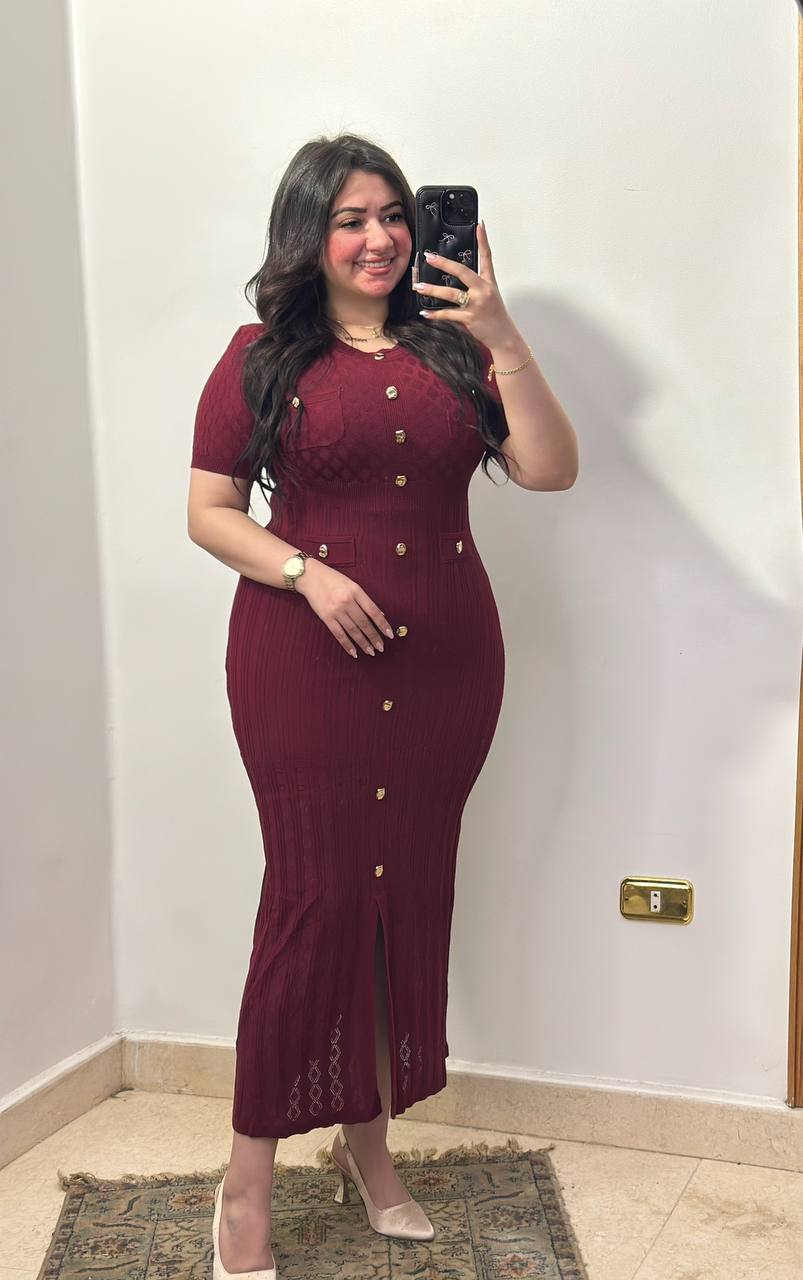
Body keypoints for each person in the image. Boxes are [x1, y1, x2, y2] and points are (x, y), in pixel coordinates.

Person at [188, 133, 578, 1279]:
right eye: (349, 218)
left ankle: (369, 1149)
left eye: (393, 214)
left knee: (399, 899)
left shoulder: (458, 351)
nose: (379, 237)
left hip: (448, 661)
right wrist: (306, 573)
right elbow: (209, 511)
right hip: (303, 658)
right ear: (306, 234)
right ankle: (246, 1184)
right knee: (312, 902)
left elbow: (549, 467)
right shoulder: (261, 356)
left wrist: (500, 331)